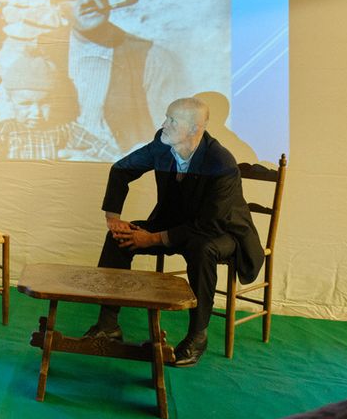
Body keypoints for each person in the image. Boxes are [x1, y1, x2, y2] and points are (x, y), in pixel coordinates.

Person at [85, 97, 264, 367]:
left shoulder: (221, 162)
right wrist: (114, 219)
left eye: (172, 120)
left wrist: (153, 238)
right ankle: (108, 324)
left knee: (203, 249)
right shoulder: (163, 143)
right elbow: (122, 169)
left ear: (194, 129)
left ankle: (197, 336)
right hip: (175, 223)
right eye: (166, 117)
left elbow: (209, 224)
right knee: (119, 238)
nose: (164, 124)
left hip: (222, 231)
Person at [35, 0, 182, 154]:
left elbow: (174, 141)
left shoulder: (151, 58)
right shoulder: (44, 52)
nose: (86, 1)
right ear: (57, 5)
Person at [0, 54, 120, 161]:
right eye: (25, 104)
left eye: (44, 103)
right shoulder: (4, 132)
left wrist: (87, 159)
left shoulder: (66, 130)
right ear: (10, 102)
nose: (36, 113)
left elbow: (105, 151)